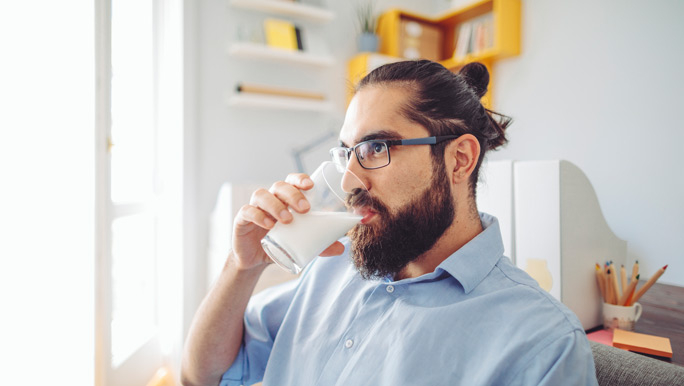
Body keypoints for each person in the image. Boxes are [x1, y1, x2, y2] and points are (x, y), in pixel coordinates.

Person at [181, 60, 598, 386]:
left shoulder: (544, 344)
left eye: (376, 147)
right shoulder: (333, 266)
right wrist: (242, 267)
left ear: (460, 159)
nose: (348, 180)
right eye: (346, 153)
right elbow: (201, 374)